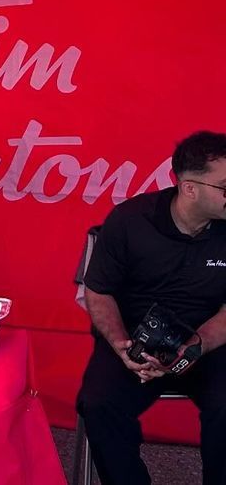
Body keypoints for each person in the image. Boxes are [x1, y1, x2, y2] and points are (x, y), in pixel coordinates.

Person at [76, 131, 226, 485]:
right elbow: (98, 292)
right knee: (99, 405)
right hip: (132, 340)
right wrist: (122, 347)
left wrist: (195, 345)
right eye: (225, 186)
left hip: (208, 343)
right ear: (190, 188)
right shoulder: (130, 221)